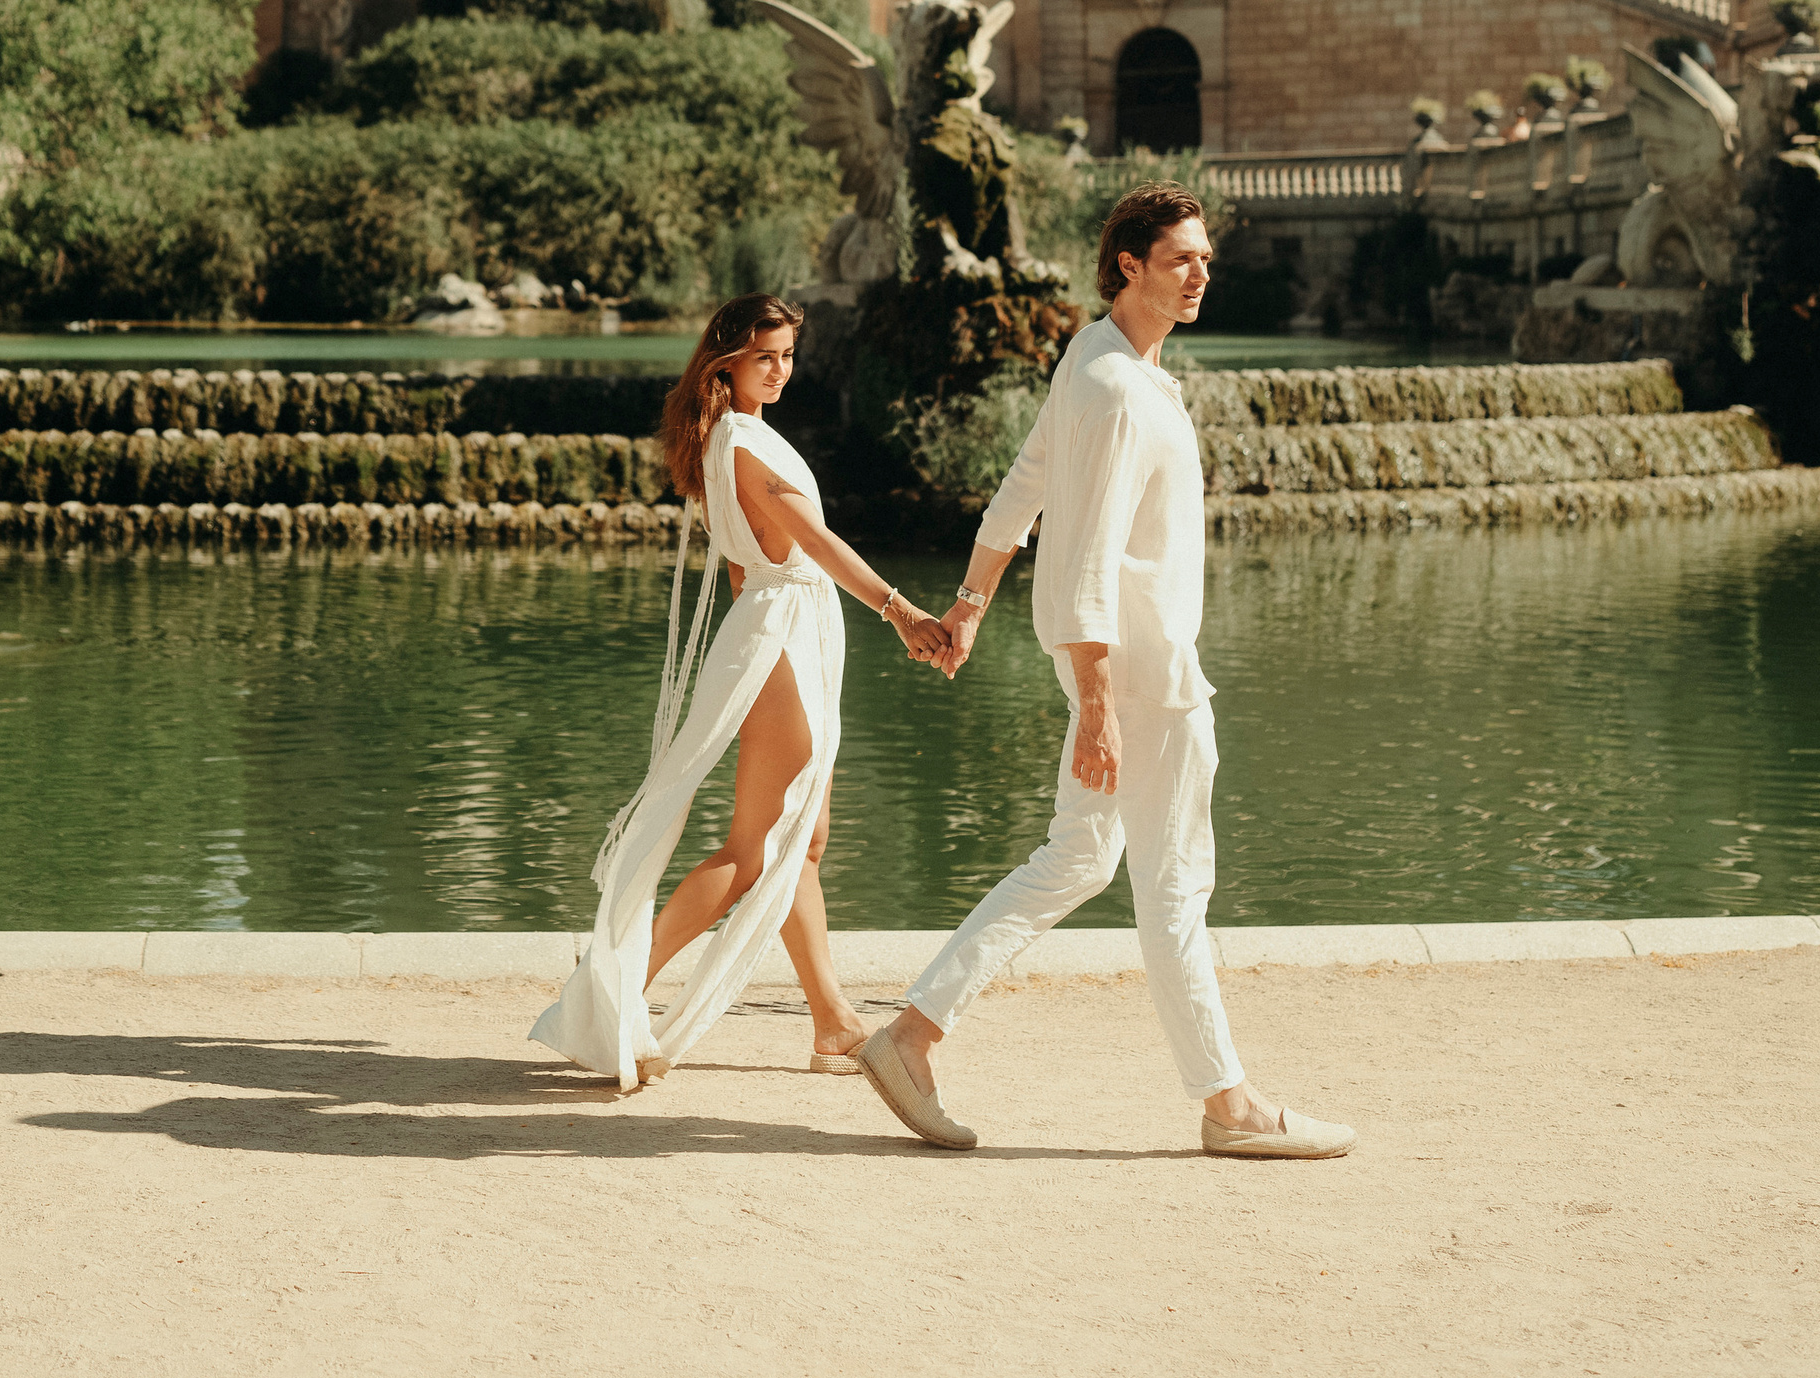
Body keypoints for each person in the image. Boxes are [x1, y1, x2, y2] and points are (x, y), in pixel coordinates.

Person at [857, 189, 1356, 1161]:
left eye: (1204, 256)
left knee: (1080, 857)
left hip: (1124, 664)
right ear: (1126, 264)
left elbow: (1024, 482)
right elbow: (1082, 550)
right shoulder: (1119, 389)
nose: (1200, 271)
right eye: (1180, 258)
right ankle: (1229, 1102)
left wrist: (969, 598)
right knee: (1173, 887)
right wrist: (1097, 704)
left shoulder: (1095, 357)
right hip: (1142, 675)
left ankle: (909, 1035)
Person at [532, 293, 949, 1092]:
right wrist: (900, 611)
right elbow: (817, 544)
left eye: (790, 355)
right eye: (767, 356)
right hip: (786, 633)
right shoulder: (743, 443)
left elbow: (739, 566)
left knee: (806, 842)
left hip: (783, 626)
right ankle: (607, 992)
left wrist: (762, 631)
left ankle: (832, 1020)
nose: (782, 370)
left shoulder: (729, 437)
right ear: (726, 359)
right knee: (755, 850)